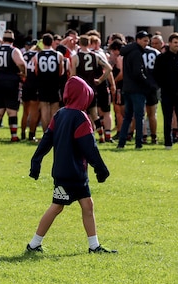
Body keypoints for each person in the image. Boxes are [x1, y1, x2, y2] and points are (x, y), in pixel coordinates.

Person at [27, 76, 115, 254]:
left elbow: (46, 140)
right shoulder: (80, 118)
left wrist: (36, 161)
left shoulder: (59, 114)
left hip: (64, 171)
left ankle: (93, 246)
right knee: (58, 206)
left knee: (85, 205)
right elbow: (90, 147)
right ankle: (34, 244)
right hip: (74, 173)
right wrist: (101, 169)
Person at [0, 29, 27, 141]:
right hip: (11, 81)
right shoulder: (14, 50)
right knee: (12, 110)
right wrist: (23, 73)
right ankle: (14, 136)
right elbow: (21, 63)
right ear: (12, 40)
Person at [116, 31, 156, 149]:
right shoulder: (137, 53)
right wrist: (148, 83)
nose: (146, 43)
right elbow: (138, 73)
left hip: (127, 88)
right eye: (144, 40)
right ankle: (138, 143)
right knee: (139, 117)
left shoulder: (128, 52)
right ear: (137, 40)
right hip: (137, 90)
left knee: (128, 117)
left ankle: (121, 143)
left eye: (147, 41)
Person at [153, 33, 178, 149]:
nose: (177, 45)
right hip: (166, 93)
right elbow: (156, 74)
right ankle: (168, 143)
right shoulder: (161, 58)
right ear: (169, 43)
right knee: (167, 119)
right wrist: (162, 86)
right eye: (175, 43)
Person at [35, 33, 66, 134]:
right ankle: (54, 132)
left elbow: (36, 71)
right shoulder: (58, 55)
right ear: (52, 42)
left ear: (42, 43)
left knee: (44, 109)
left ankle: (46, 133)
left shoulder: (37, 55)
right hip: (54, 84)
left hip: (42, 84)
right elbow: (61, 72)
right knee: (54, 109)